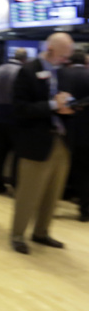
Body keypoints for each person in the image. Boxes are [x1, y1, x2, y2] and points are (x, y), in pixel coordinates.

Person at [10, 32, 75, 254]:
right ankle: (17, 235)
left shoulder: (61, 73)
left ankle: (42, 232)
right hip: (36, 143)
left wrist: (69, 107)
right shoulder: (27, 71)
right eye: (64, 55)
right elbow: (20, 109)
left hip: (60, 140)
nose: (66, 59)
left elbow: (60, 103)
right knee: (29, 193)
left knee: (53, 192)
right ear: (51, 50)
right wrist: (52, 106)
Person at [0, 48, 27, 194]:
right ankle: (15, 183)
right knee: (17, 154)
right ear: (24, 59)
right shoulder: (21, 72)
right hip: (15, 117)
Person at [58, 50, 89, 221]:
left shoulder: (63, 75)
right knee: (85, 171)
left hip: (68, 130)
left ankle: (62, 197)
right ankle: (85, 208)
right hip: (86, 132)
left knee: (68, 168)